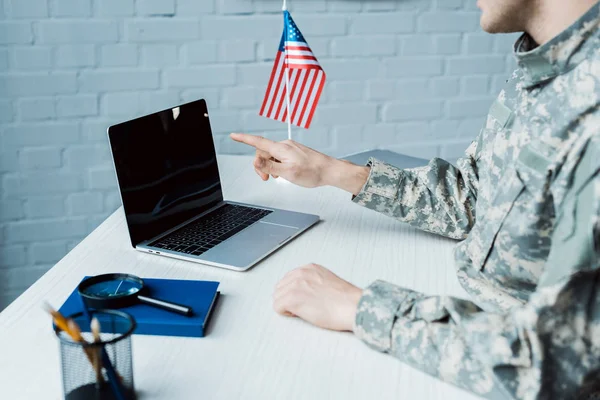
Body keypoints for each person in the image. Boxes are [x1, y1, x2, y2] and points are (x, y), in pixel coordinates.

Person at [231, 1, 600, 398]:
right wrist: (329, 172)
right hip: (470, 314)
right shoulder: (544, 68)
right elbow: (472, 199)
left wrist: (360, 307)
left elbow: (560, 364)